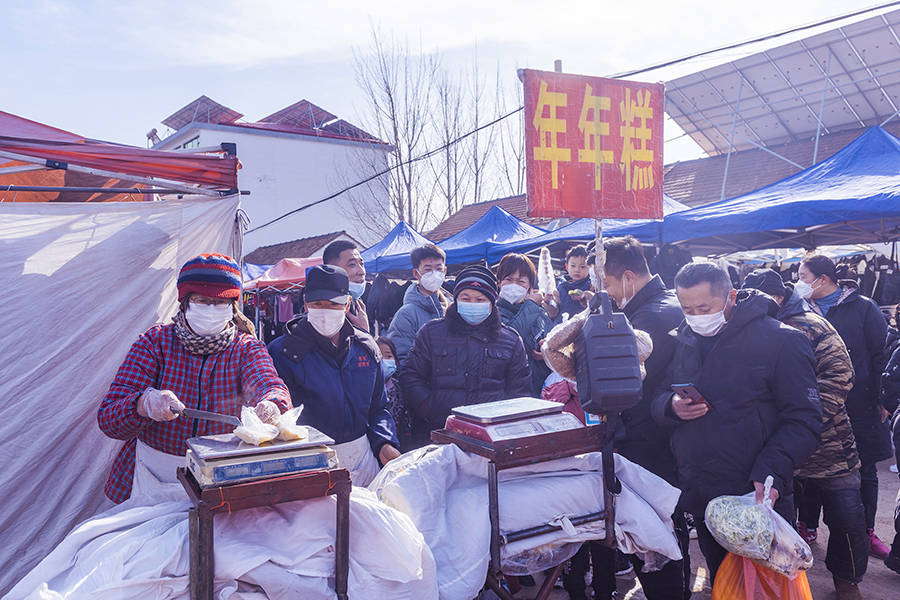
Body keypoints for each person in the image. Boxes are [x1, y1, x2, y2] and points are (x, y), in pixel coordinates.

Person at [651, 262, 822, 582]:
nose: (696, 316)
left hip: (756, 498)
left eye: (704, 307)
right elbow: (661, 393)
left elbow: (805, 420)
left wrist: (771, 471)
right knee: (724, 584)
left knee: (768, 588)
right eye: (687, 308)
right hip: (704, 497)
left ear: (731, 296)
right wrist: (672, 407)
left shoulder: (782, 340)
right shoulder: (685, 337)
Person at [98, 253, 291, 503]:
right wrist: (143, 405)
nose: (211, 309)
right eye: (202, 300)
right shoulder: (154, 343)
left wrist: (272, 404)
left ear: (232, 307)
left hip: (222, 479)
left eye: (219, 303)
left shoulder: (246, 348)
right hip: (153, 477)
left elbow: (270, 385)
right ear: (186, 302)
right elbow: (109, 419)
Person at [576, 235, 689, 600]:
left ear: (627, 277)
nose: (605, 292)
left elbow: (621, 377)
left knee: (654, 534)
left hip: (648, 442)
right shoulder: (659, 305)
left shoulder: (651, 317)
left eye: (606, 284)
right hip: (653, 434)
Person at [743, 268, 867, 599]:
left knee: (845, 516)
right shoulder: (751, 330)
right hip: (776, 445)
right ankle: (784, 578)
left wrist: (803, 421)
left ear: (778, 299)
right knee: (777, 516)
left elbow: (840, 375)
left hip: (828, 443)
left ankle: (847, 579)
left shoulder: (813, 326)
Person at [267, 264, 400, 486]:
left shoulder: (366, 347)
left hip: (363, 462)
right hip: (306, 466)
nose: (325, 311)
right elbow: (279, 422)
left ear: (347, 304)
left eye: (334, 304)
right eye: (317, 304)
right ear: (306, 304)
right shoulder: (283, 353)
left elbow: (378, 408)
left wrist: (384, 443)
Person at [798, 253, 892, 558]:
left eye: (802, 277)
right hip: (815, 403)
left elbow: (881, 353)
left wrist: (881, 397)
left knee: (864, 469)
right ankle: (806, 526)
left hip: (859, 402)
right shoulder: (799, 310)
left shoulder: (863, 307)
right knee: (811, 466)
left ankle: (866, 531)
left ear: (822, 279)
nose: (798, 283)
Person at [400, 265, 532, 449]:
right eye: (466, 298)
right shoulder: (431, 333)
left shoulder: (510, 340)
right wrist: (429, 408)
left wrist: (502, 420)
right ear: (456, 300)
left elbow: (520, 390)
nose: (473, 304)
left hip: (492, 436)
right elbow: (411, 375)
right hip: (440, 433)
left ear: (492, 302)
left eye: (480, 299)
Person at [496, 253, 553, 397]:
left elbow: (555, 345)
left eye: (520, 281)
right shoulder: (493, 313)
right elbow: (509, 337)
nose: (514, 285)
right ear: (499, 283)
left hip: (541, 390)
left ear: (530, 287)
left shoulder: (541, 313)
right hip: (509, 393)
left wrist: (547, 352)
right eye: (508, 279)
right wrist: (532, 304)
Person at [387, 244, 451, 364]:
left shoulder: (452, 308)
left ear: (445, 271)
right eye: (427, 269)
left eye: (438, 268)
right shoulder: (406, 314)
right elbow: (401, 359)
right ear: (416, 274)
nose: (434, 274)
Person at [323, 240, 369, 332]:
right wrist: (364, 331)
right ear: (332, 269)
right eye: (352, 265)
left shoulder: (355, 303)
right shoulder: (325, 310)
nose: (362, 272)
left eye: (362, 264)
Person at [377, 336, 411, 452]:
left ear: (396, 362)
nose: (384, 361)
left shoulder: (401, 387)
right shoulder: (367, 390)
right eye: (379, 357)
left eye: (388, 356)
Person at [556, 245, 593, 321]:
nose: (577, 270)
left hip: (584, 327)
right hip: (563, 326)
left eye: (582, 267)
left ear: (590, 268)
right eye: (573, 266)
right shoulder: (561, 287)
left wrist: (586, 297)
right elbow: (555, 311)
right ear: (567, 267)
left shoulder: (591, 285)